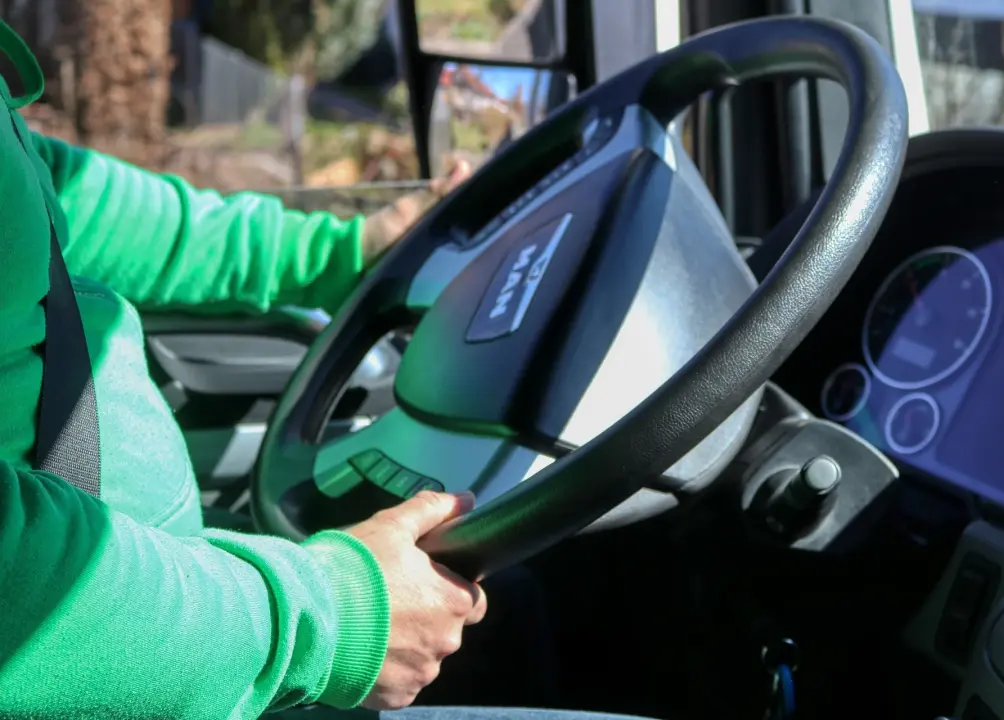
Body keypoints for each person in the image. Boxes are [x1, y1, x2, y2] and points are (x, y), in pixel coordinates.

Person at [0, 19, 654, 720]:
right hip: (118, 658)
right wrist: (334, 618)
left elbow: (55, 194)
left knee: (514, 608)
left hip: (147, 610)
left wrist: (342, 252)